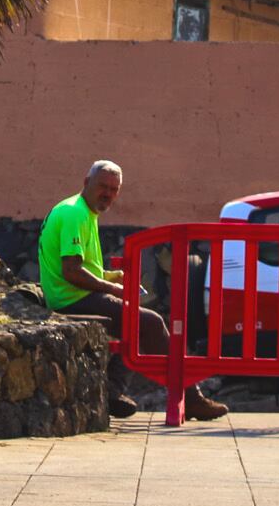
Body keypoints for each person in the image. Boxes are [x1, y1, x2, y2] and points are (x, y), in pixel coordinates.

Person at [40, 161, 229, 422]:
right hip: (71, 299)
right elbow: (71, 272)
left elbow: (81, 267)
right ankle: (191, 397)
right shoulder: (76, 214)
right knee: (151, 323)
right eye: (103, 186)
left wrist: (111, 276)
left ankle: (115, 391)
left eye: (113, 189)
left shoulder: (81, 210)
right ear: (87, 183)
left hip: (73, 295)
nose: (107, 193)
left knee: (135, 325)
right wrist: (113, 288)